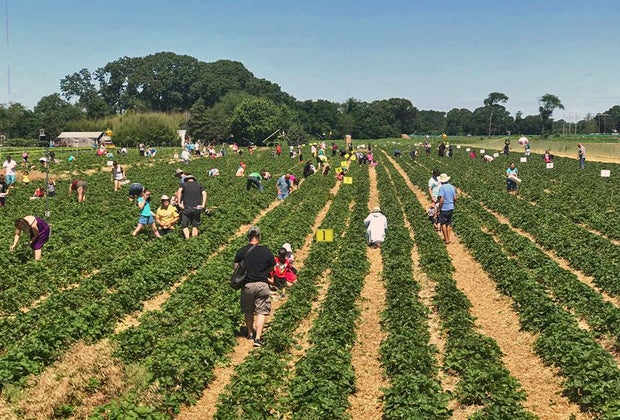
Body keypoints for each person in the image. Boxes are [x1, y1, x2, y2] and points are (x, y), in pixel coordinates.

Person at [234, 226, 275, 347]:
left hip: (247, 285)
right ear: (259, 236)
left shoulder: (241, 251)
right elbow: (272, 267)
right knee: (261, 311)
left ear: (248, 236)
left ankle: (250, 333)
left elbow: (236, 268)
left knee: (248, 310)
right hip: (262, 285)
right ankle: (257, 339)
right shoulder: (266, 251)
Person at [176, 174, 207, 239]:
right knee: (195, 225)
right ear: (193, 179)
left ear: (186, 179)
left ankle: (188, 239)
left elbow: (179, 191)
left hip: (187, 208)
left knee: (184, 225)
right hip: (197, 208)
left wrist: (179, 203)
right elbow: (204, 193)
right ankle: (193, 240)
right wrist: (203, 205)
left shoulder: (184, 184)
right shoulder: (199, 185)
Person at [437, 173, 457, 244]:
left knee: (443, 223)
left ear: (441, 181)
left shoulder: (442, 188)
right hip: (451, 207)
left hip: (444, 208)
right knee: (448, 223)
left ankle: (446, 239)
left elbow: (441, 199)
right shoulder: (452, 187)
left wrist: (439, 208)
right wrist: (453, 205)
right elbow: (455, 198)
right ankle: (449, 238)